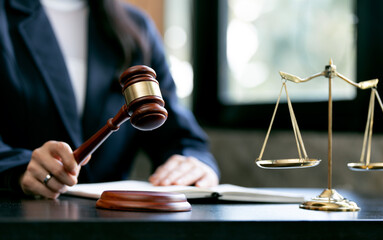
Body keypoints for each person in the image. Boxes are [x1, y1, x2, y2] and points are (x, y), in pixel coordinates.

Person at [0, 0, 220, 199]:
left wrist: (194, 164)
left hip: (114, 222)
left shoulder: (135, 26)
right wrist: (18, 169)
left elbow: (181, 137)